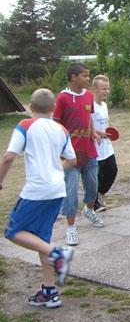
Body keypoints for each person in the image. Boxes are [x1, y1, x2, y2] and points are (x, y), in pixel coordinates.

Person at [2, 89, 77, 307]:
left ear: (30, 108)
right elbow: (71, 160)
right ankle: (49, 291)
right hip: (56, 190)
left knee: (13, 232)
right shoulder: (61, 129)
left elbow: (8, 157)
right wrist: (55, 170)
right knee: (41, 240)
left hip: (36, 191)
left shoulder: (25, 125)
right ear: (53, 109)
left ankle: (59, 252)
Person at [53, 63, 103, 246]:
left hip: (89, 152)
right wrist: (60, 150)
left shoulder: (89, 95)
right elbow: (56, 124)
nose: (88, 79)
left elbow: (88, 117)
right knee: (71, 192)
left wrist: (94, 133)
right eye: (84, 75)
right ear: (73, 77)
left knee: (92, 187)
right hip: (70, 155)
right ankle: (71, 229)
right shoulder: (62, 98)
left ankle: (89, 210)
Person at [91, 75, 118, 212]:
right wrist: (97, 133)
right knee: (97, 176)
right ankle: (94, 203)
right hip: (95, 147)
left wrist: (108, 133)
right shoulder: (90, 106)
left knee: (112, 171)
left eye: (108, 88)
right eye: (103, 89)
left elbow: (104, 124)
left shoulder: (105, 105)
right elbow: (84, 125)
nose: (106, 91)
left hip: (107, 146)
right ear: (94, 89)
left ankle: (100, 195)